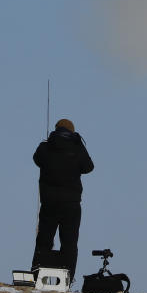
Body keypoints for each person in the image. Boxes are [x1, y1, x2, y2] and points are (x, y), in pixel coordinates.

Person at [32, 118, 94, 279]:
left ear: (56, 129)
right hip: (71, 204)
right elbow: (89, 167)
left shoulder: (45, 147)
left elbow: (37, 159)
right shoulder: (77, 148)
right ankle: (68, 277)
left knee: (44, 239)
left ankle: (37, 274)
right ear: (72, 131)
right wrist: (78, 144)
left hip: (49, 202)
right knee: (69, 242)